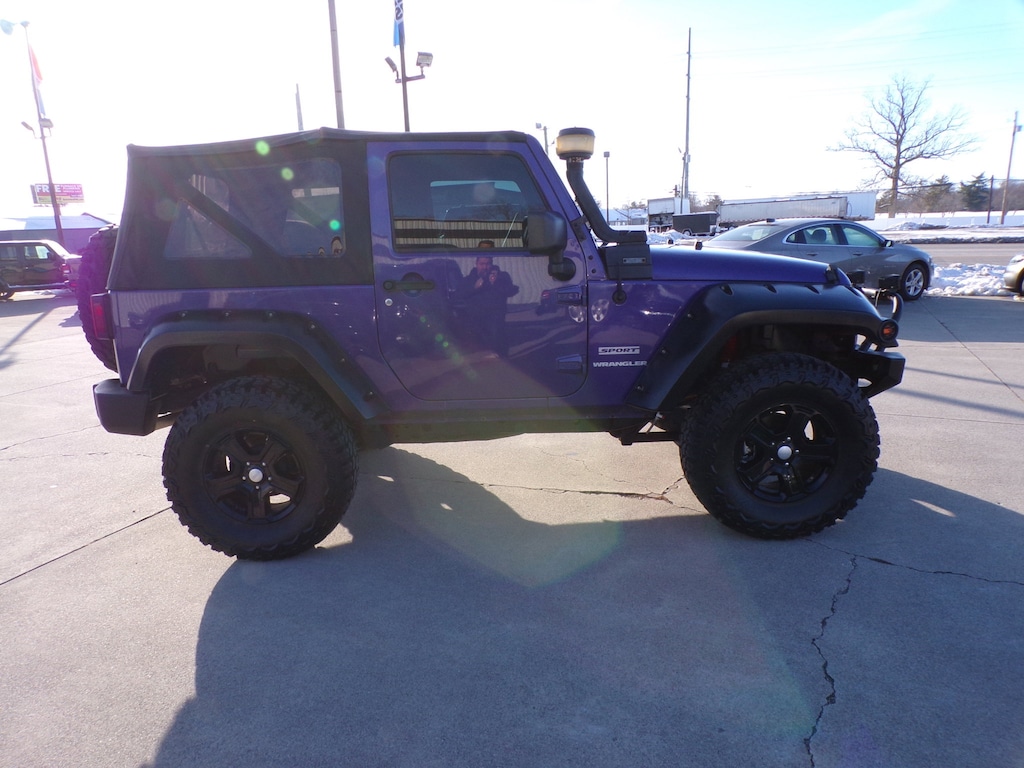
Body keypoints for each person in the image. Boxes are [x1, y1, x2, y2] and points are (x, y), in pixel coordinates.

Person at [459, 253, 518, 356]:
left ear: (491, 264)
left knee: (497, 345)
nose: (485, 267)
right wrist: (474, 287)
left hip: (495, 319)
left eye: (487, 264)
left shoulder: (502, 277)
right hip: (475, 320)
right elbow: (459, 295)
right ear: (476, 264)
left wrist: (495, 283)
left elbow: (511, 291)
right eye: (482, 264)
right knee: (477, 348)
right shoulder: (469, 279)